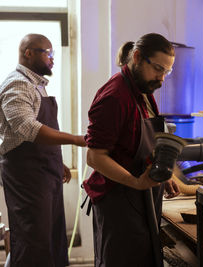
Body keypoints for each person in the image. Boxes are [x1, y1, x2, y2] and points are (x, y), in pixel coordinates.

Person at [83, 33, 180, 267]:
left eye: (167, 71)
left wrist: (159, 171)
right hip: (118, 201)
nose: (162, 78)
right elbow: (95, 157)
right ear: (137, 57)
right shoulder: (115, 97)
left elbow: (139, 141)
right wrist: (136, 182)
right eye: (158, 69)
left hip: (140, 196)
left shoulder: (143, 92)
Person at [0, 33, 87, 266]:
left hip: (44, 171)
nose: (52, 59)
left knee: (52, 237)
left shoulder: (37, 85)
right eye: (47, 53)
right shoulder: (18, 83)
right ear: (28, 53)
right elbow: (28, 128)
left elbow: (42, 131)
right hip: (26, 174)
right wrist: (76, 139)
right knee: (33, 240)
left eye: (53, 53)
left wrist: (57, 161)